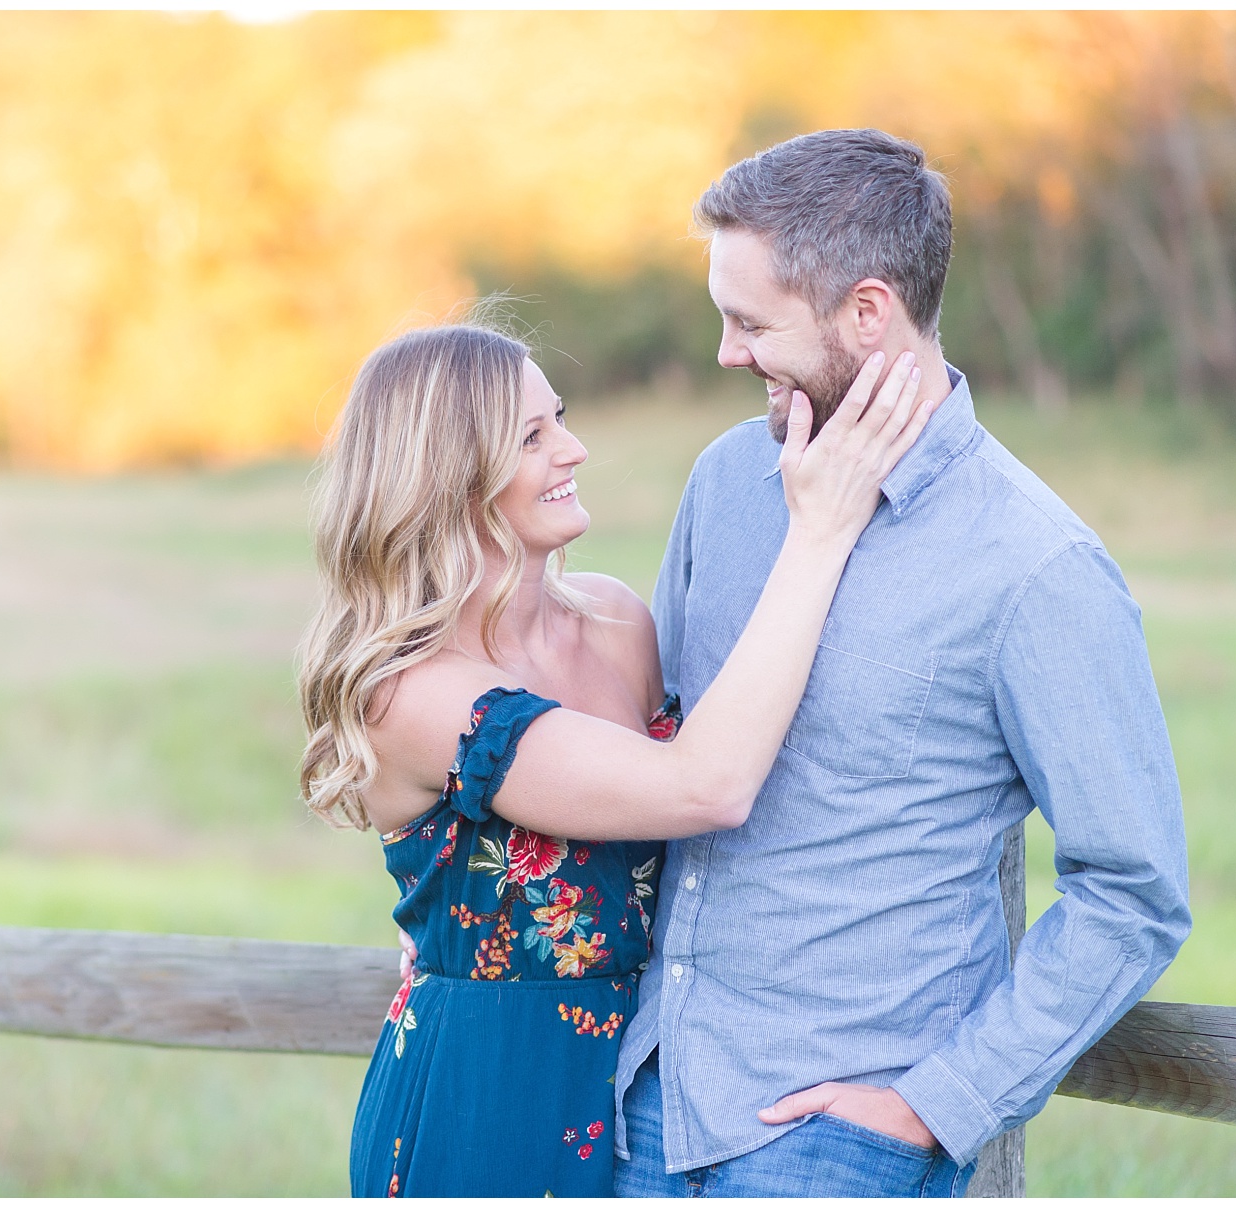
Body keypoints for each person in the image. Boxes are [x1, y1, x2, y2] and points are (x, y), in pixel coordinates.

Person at [611, 128, 1192, 1198]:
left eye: (752, 323)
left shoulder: (1036, 565)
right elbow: (658, 754)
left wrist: (939, 1102)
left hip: (840, 1145)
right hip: (648, 1100)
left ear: (868, 312)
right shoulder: (727, 482)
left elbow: (1134, 892)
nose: (728, 354)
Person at [296, 317, 936, 1197]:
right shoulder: (412, 696)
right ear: (448, 476)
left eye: (559, 418)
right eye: (532, 437)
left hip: (652, 1090)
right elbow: (707, 786)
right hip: (484, 1103)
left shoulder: (616, 621)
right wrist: (819, 531)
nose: (574, 449)